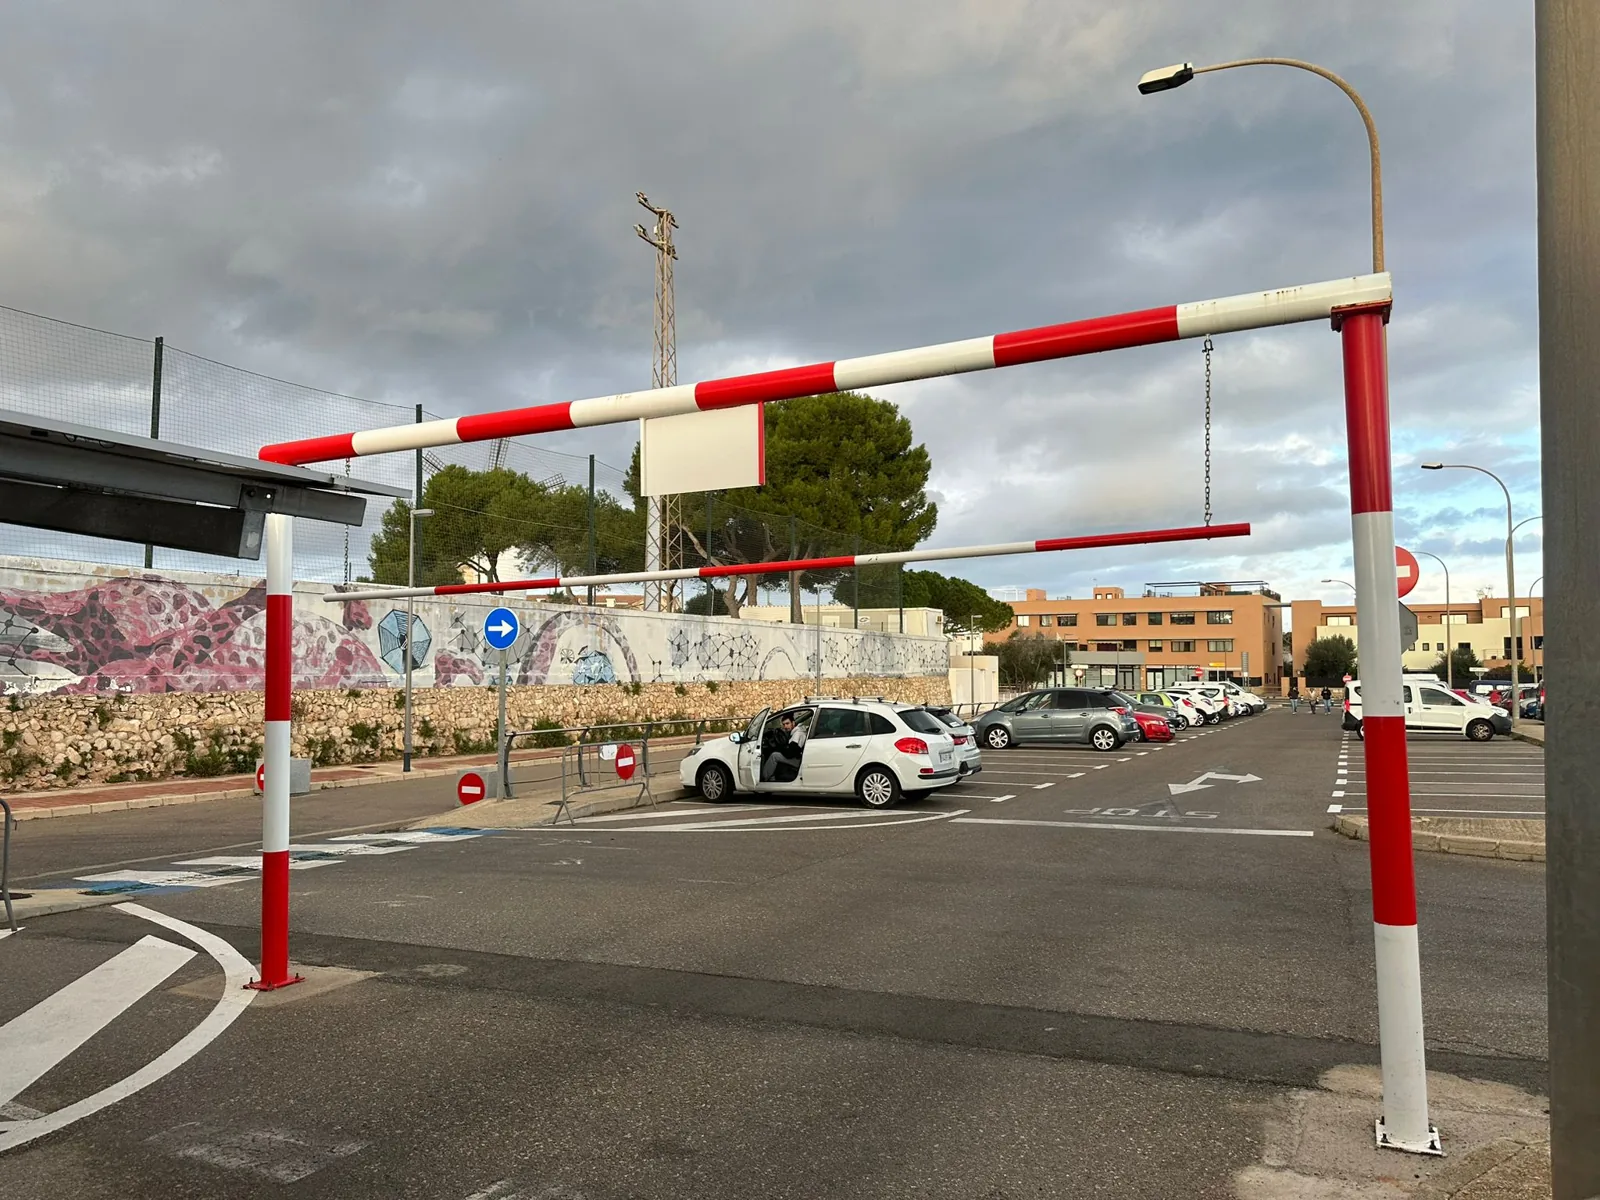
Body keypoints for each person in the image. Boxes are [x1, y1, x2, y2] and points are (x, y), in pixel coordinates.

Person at [762, 712, 809, 782]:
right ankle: (773, 777)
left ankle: (764, 778)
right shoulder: (796, 731)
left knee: (774, 756)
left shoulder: (797, 734)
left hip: (797, 760)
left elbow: (790, 754)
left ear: (793, 723)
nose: (785, 726)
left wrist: (779, 748)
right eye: (784, 724)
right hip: (797, 757)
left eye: (787, 724)